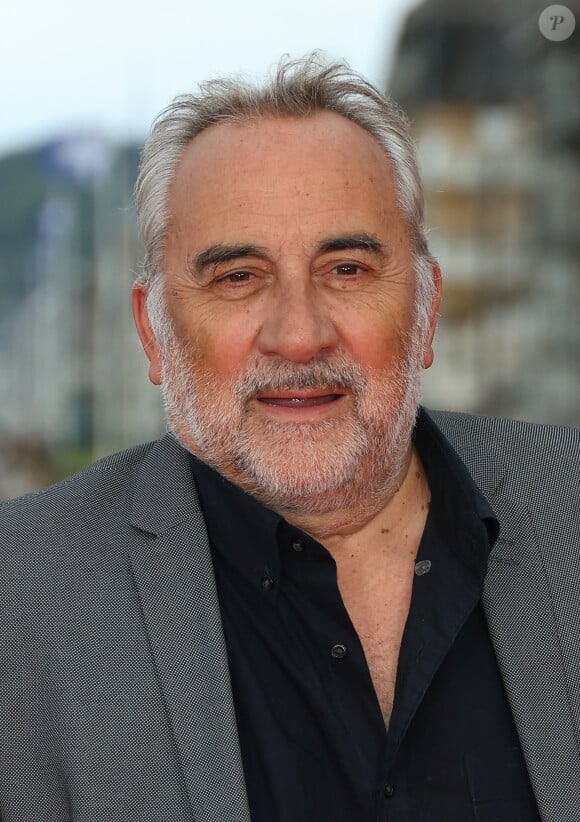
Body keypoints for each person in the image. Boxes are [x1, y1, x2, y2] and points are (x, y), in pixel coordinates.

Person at [0, 54, 578, 822]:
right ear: (153, 332)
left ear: (427, 309)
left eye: (346, 267)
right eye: (238, 276)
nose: (299, 336)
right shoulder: (23, 594)